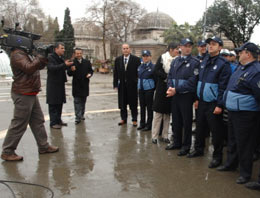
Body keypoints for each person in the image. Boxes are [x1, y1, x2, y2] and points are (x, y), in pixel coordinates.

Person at [1, 47, 59, 161]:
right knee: (19, 123)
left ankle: (43, 146)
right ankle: (7, 151)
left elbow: (38, 66)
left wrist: (44, 56)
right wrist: (40, 57)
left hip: (30, 92)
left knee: (38, 120)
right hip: (23, 93)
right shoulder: (18, 54)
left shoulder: (25, 53)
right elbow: (29, 68)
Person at [217, 42, 260, 184]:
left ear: (248, 54)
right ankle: (230, 164)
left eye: (240, 52)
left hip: (246, 115)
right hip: (234, 112)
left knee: (245, 145)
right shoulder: (240, 68)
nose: (238, 54)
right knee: (233, 140)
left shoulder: (256, 71)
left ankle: (245, 173)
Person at [187, 36, 231, 169]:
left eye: (213, 44)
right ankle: (199, 149)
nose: (210, 46)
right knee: (200, 128)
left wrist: (219, 104)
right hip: (201, 101)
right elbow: (198, 81)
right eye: (209, 44)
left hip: (213, 103)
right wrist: (196, 98)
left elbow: (223, 87)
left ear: (220, 47)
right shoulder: (204, 61)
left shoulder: (224, 64)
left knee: (216, 131)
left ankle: (217, 157)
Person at [165, 38, 200, 156]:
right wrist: (170, 87)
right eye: (185, 46)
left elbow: (192, 81)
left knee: (187, 122)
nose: (188, 48)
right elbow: (169, 76)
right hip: (174, 95)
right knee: (176, 121)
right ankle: (177, 142)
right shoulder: (175, 61)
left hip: (185, 96)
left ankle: (186, 146)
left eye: (190, 46)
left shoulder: (195, 62)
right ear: (180, 47)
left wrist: (176, 89)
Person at [151, 43, 179, 144]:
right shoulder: (163, 58)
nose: (177, 51)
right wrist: (166, 77)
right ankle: (154, 136)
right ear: (171, 49)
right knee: (158, 114)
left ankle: (165, 135)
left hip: (171, 89)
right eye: (176, 49)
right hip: (161, 89)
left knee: (167, 114)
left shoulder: (177, 60)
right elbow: (156, 70)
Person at [46, 42, 73, 129]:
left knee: (59, 103)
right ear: (56, 49)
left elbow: (64, 68)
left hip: (60, 84)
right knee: (53, 104)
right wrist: (64, 64)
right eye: (62, 48)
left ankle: (58, 120)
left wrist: (70, 67)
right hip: (53, 85)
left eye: (64, 48)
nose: (63, 50)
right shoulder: (50, 57)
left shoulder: (60, 58)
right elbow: (52, 68)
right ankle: (53, 123)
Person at [113, 43, 141, 126]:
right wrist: (115, 85)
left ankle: (134, 119)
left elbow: (139, 72)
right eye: (124, 48)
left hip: (132, 85)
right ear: (122, 50)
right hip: (121, 85)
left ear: (130, 49)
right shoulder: (118, 60)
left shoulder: (136, 59)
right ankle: (123, 119)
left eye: (127, 48)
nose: (125, 50)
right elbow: (115, 73)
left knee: (133, 103)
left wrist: (136, 82)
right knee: (122, 103)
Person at [67, 48, 93, 124]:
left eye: (80, 53)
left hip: (84, 85)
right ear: (75, 54)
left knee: (83, 101)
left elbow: (91, 70)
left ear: (82, 54)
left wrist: (90, 74)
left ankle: (81, 115)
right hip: (76, 85)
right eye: (77, 53)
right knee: (77, 101)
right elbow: (69, 74)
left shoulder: (87, 62)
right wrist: (71, 70)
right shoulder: (72, 63)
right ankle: (77, 117)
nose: (79, 55)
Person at [137, 50, 155, 131]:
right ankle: (142, 123)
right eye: (144, 56)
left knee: (149, 108)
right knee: (142, 108)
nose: (145, 58)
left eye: (147, 56)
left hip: (149, 90)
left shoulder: (153, 67)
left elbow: (156, 79)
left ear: (150, 57)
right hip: (141, 90)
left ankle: (149, 125)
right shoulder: (140, 67)